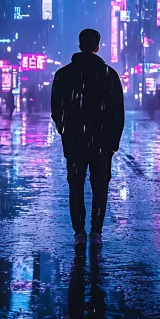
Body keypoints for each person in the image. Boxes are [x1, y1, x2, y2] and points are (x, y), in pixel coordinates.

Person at [51, 29, 125, 247]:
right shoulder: (109, 75)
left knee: (76, 185)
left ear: (80, 45)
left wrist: (66, 131)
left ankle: (79, 232)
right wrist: (113, 141)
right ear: (97, 46)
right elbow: (117, 112)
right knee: (100, 185)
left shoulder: (64, 74)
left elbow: (57, 109)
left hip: (75, 141)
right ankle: (96, 231)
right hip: (101, 141)